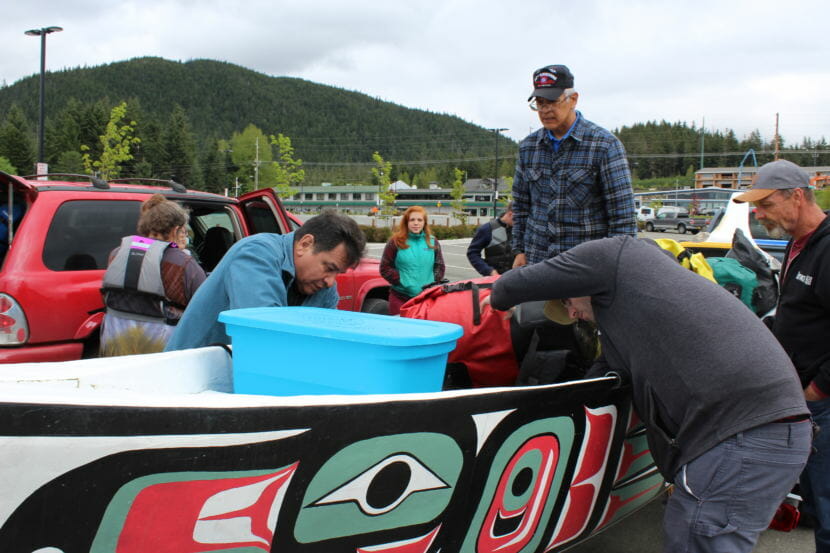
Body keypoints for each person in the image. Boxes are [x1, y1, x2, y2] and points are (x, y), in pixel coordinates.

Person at [485, 235, 811, 553]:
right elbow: (599, 379)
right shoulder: (635, 308)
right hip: (766, 431)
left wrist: (495, 293)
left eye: (568, 302)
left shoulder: (612, 256)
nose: (571, 314)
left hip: (745, 432)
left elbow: (515, 286)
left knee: (693, 540)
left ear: (577, 281)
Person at [733, 159, 830, 552]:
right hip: (802, 399)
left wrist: (818, 389)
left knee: (827, 506)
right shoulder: (798, 243)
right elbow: (796, 314)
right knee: (814, 497)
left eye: (766, 204)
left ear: (798, 196)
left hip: (821, 401)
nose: (758, 213)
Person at [165, 210, 365, 351]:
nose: (330, 281)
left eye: (337, 273)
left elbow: (329, 342)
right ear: (305, 244)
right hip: (191, 381)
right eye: (329, 268)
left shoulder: (325, 288)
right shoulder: (257, 254)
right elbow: (264, 332)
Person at [512, 64, 636, 268]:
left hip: (586, 269)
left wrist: (615, 269)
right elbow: (521, 206)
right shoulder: (528, 148)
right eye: (540, 103)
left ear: (573, 99)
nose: (545, 110)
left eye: (552, 101)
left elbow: (623, 219)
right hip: (537, 266)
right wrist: (519, 250)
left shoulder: (604, 145)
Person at [100, 194, 206, 356]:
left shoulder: (117, 253)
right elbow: (203, 305)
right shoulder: (184, 263)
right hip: (161, 348)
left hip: (115, 341)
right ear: (176, 229)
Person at [380, 206, 445, 315]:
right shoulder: (395, 242)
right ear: (406, 222)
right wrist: (403, 282)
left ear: (424, 223)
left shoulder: (433, 242)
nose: (416, 223)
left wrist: (431, 284)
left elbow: (439, 265)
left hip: (425, 299)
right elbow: (385, 267)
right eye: (412, 220)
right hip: (400, 298)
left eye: (419, 220)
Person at [466, 202, 516, 276]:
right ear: (510, 214)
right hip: (495, 279)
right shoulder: (487, 229)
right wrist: (489, 271)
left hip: (517, 279)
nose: (522, 222)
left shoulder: (523, 230)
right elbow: (472, 253)